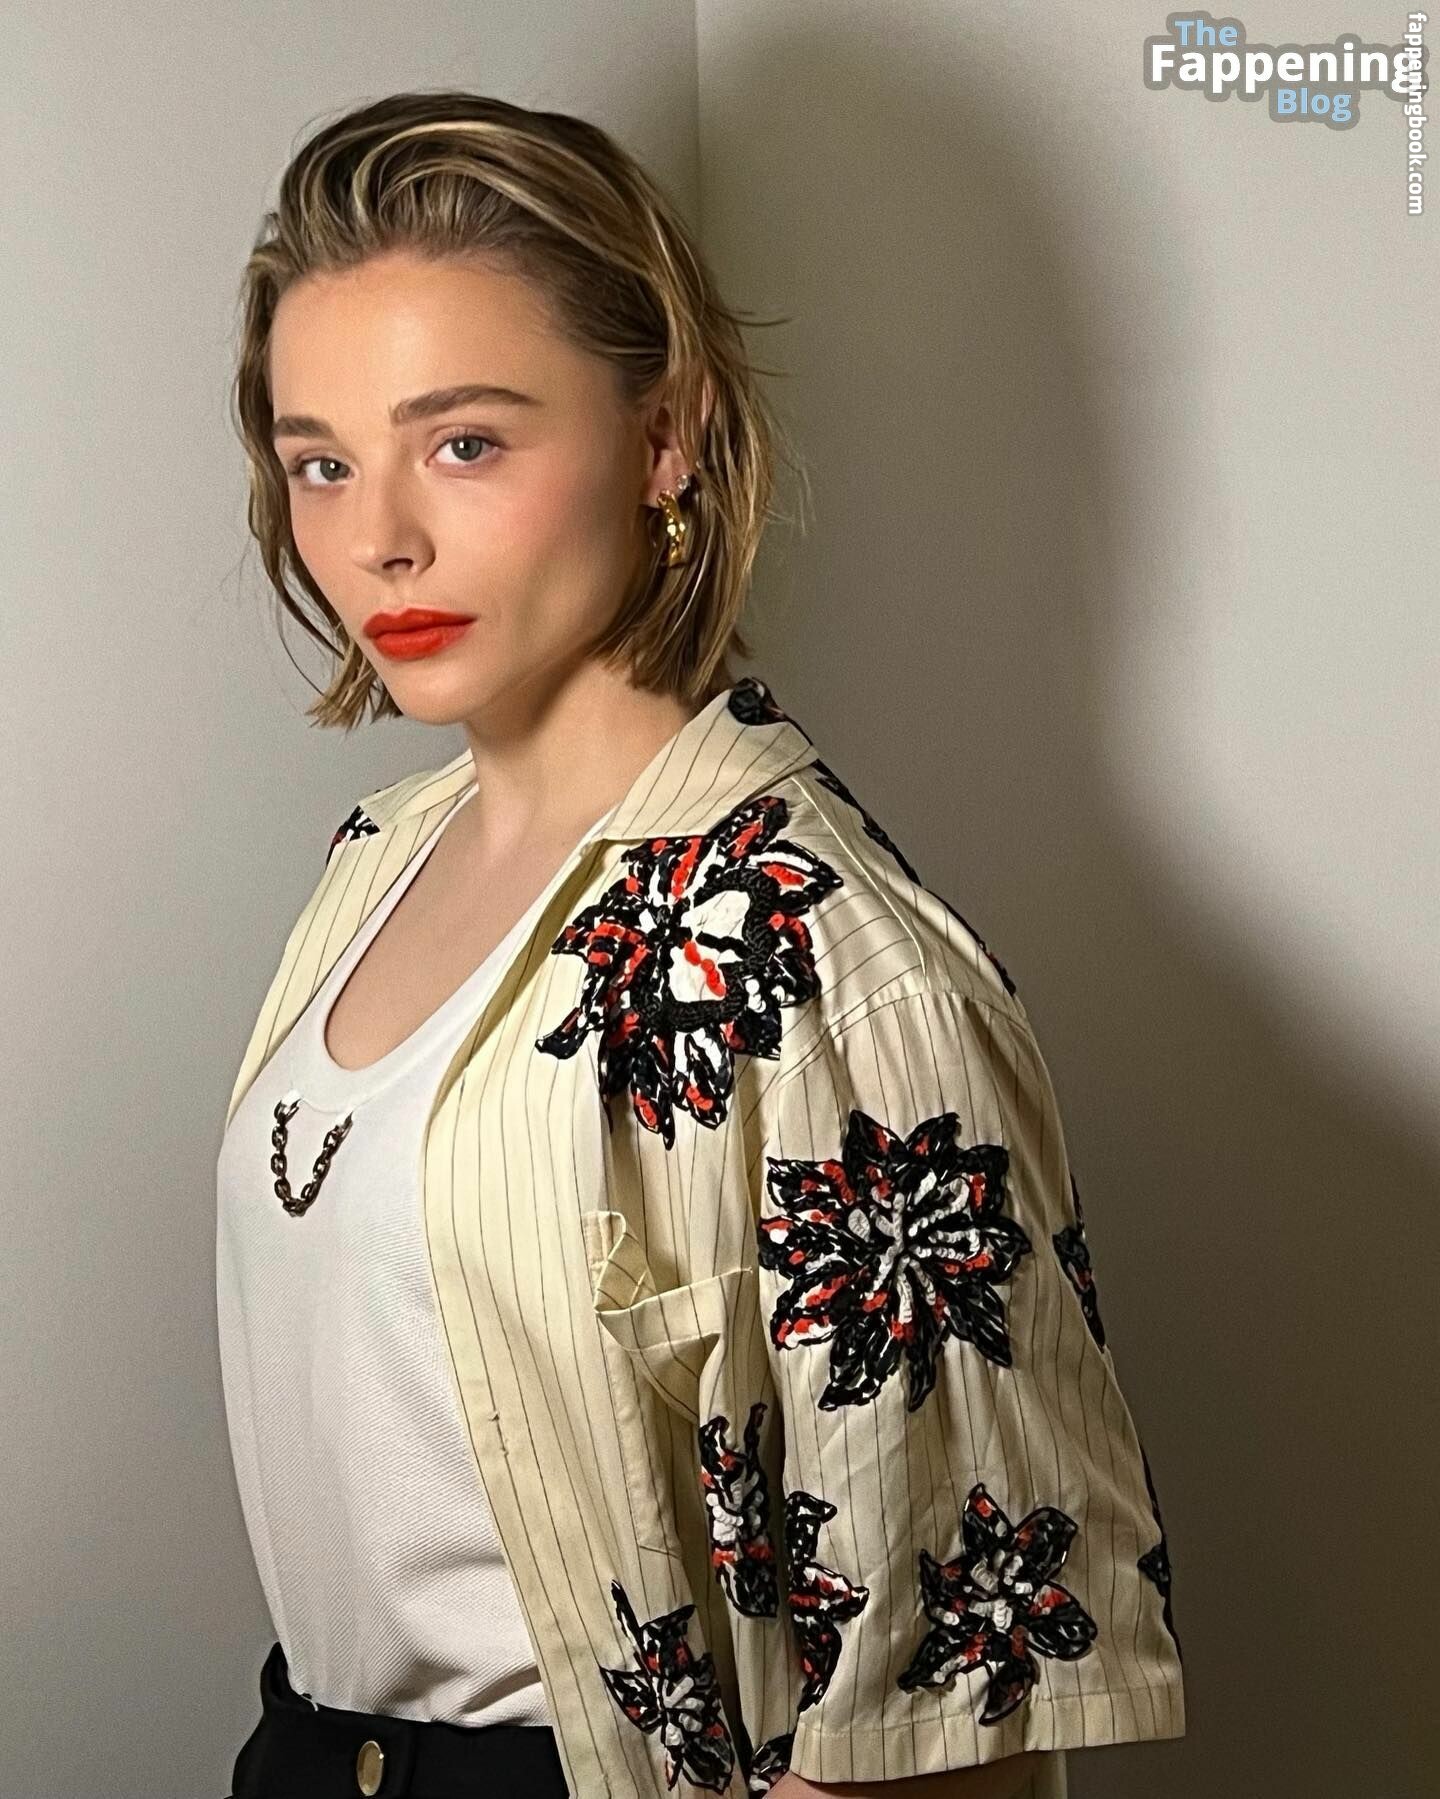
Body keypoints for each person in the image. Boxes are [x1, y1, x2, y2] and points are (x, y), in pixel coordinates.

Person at [216, 90, 1186, 1799]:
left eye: (465, 443)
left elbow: (946, 1715)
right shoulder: (374, 864)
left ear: (664, 439)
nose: (379, 539)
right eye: (322, 462)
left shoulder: (821, 964)